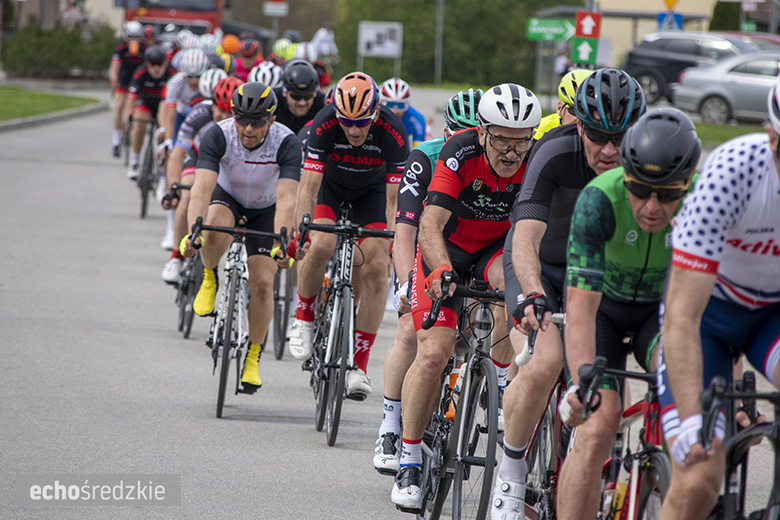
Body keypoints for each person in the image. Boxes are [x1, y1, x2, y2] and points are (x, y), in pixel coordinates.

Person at [494, 68, 645, 519]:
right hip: (543, 266)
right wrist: (534, 293)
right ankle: (511, 471)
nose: (609, 150)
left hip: (597, 277)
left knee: (600, 383)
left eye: (621, 138)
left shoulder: (642, 163)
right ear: (577, 124)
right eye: (598, 135)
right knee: (544, 362)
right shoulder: (555, 151)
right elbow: (524, 238)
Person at [391, 83, 542, 511]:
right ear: (481, 132)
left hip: (494, 251)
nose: (511, 153)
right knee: (435, 353)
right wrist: (438, 270)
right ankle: (410, 456)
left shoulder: (536, 158)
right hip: (448, 249)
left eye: (520, 142)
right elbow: (430, 224)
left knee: (504, 293)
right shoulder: (458, 153)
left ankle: (496, 381)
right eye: (501, 141)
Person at [552, 108, 700, 520]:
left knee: (685, 416)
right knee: (598, 426)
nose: (653, 207)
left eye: (668, 193)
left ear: (687, 185)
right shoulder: (599, 199)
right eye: (640, 189)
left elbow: (713, 309)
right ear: (625, 177)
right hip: (605, 311)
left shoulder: (703, 203)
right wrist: (582, 385)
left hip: (663, 313)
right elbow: (580, 309)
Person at [655, 80, 780, 520]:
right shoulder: (733, 171)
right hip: (708, 315)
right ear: (771, 137)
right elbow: (682, 318)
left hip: (773, 317)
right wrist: (692, 420)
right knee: (697, 481)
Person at [373, 88, 483, 475]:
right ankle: (390, 423)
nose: (468, 143)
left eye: (476, 132)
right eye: (460, 133)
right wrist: (406, 286)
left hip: (476, 251)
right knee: (409, 329)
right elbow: (405, 230)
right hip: (429, 247)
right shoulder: (428, 156)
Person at [286, 72, 409, 401]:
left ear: (376, 113)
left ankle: (359, 365)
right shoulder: (324, 123)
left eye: (362, 123)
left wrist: (391, 246)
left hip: (372, 195)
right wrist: (303, 232)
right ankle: (304, 317)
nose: (354, 130)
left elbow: (395, 200)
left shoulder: (393, 131)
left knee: (375, 268)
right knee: (321, 244)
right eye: (347, 122)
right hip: (331, 188)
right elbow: (308, 189)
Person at [181, 82, 302, 393]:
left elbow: (288, 197)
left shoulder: (286, 142)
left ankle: (252, 356)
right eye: (242, 120)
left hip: (267, 208)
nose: (248, 129)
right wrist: (194, 231)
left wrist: (282, 242)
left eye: (258, 122)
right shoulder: (218, 134)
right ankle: (209, 276)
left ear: (272, 119)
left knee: (263, 284)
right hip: (228, 197)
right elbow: (202, 189)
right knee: (214, 223)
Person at [160, 70, 237, 284]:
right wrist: (172, 189)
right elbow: (177, 154)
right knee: (187, 195)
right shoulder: (199, 114)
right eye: (219, 110)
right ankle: (176, 257)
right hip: (199, 156)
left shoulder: (244, 124)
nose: (223, 116)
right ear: (212, 104)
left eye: (229, 113)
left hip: (227, 163)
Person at [123, 45, 176, 181]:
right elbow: (131, 99)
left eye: (159, 64)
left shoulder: (172, 74)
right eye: (153, 64)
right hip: (146, 105)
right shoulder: (140, 73)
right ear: (147, 64)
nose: (156, 68)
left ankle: (161, 169)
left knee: (163, 135)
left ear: (165, 62)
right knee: (139, 122)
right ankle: (134, 162)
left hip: (164, 107)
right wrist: (128, 120)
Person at [109, 21, 147, 158]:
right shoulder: (121, 48)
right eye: (131, 37)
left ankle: (128, 126)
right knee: (120, 105)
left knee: (133, 108)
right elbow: (114, 66)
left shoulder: (144, 49)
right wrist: (114, 79)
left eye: (137, 37)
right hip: (124, 81)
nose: (134, 40)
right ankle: (116, 138)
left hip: (138, 82)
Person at [533, 68, 592, 140]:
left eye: (590, 112)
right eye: (575, 111)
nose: (581, 119)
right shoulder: (543, 129)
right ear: (559, 108)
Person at [272, 59, 326, 135]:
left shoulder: (323, 105)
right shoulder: (273, 101)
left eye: (308, 97)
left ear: (315, 93)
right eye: (296, 97)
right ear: (284, 92)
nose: (302, 103)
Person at [379, 78, 427, 151]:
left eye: (400, 105)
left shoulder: (417, 118)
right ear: (382, 102)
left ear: (406, 104)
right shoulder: (374, 114)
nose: (395, 111)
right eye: (390, 105)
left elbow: (418, 152)